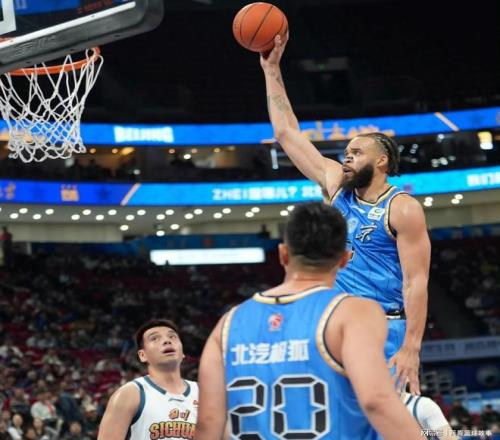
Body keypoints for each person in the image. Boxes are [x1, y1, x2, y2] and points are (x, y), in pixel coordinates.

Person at [260, 33, 431, 395]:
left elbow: (415, 282)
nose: (347, 157)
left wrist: (411, 348)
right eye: (347, 152)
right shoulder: (336, 185)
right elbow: (286, 132)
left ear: (382, 162)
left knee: (381, 415)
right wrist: (271, 68)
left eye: (357, 153)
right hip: (332, 321)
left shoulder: (402, 207)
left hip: (383, 326)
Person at [196, 203, 422, 440]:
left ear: (283, 254)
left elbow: (208, 422)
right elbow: (377, 401)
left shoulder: (228, 323)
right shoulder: (354, 312)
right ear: (345, 259)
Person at [98, 319, 198, 440]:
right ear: (142, 355)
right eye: (155, 338)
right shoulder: (130, 394)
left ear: (182, 352)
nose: (167, 341)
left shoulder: (204, 393)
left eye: (172, 337)